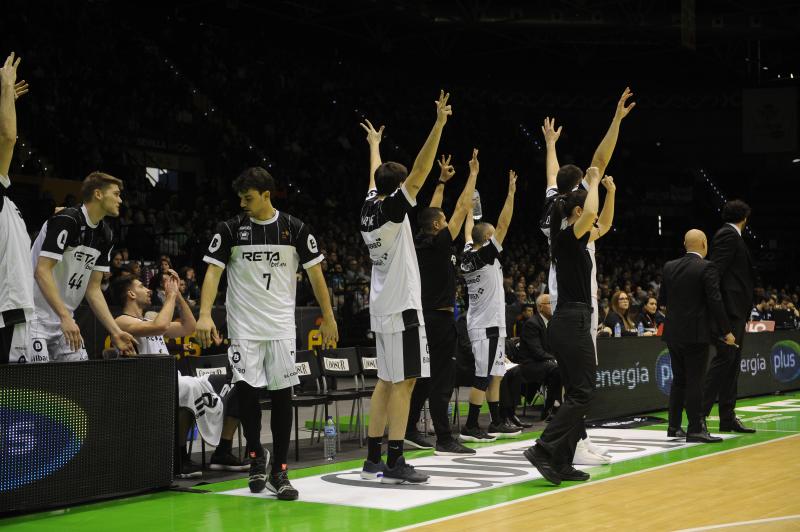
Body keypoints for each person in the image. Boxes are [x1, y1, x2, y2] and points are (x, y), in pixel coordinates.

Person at [196, 166, 338, 500]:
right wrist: (204, 314)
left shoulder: (295, 228)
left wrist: (329, 316)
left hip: (280, 327)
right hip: (244, 327)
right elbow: (213, 273)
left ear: (265, 195)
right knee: (245, 393)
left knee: (282, 398)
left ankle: (281, 472)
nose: (243, 203)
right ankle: (257, 456)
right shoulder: (230, 229)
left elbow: (316, 275)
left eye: (248, 198)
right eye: (240, 198)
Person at [357, 91, 450, 485]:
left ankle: (373, 455)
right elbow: (421, 170)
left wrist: (374, 147)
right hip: (403, 309)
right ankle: (395, 460)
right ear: (397, 192)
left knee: (385, 381)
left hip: (382, 309)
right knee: (407, 382)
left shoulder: (368, 208)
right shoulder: (394, 211)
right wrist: (439, 125)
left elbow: (376, 178)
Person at [538, 106, 630, 464]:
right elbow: (601, 158)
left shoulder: (553, 203)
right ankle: (572, 442)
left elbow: (553, 174)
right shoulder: (577, 210)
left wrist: (549, 145)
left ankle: (579, 437)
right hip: (575, 298)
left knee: (574, 374)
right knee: (579, 378)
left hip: (567, 291)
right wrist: (616, 121)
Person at [524, 168, 615, 486]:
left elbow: (603, 224)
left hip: (568, 322)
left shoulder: (575, 237)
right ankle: (545, 448)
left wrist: (611, 192)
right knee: (583, 391)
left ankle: (560, 460)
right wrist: (591, 183)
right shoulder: (567, 236)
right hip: (572, 321)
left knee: (577, 391)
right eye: (584, 212)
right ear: (577, 213)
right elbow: (592, 212)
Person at [112, 272, 230, 477]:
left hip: (166, 381)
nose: (148, 290)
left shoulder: (149, 319)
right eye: (141, 286)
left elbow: (189, 327)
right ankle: (178, 456)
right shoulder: (121, 321)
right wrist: (170, 297)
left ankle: (221, 450)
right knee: (189, 387)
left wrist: (179, 296)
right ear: (130, 293)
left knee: (226, 383)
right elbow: (159, 326)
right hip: (145, 385)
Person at [403, 149, 479, 457]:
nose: (448, 222)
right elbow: (461, 208)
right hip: (440, 319)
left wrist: (441, 182)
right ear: (437, 227)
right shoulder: (438, 242)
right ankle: (445, 439)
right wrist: (472, 174)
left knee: (422, 376)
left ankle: (408, 430)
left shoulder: (421, 241)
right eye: (444, 221)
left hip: (424, 318)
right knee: (442, 380)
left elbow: (431, 212)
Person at [27, 172, 136, 363]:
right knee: (35, 388)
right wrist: (64, 317)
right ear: (98, 194)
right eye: (116, 194)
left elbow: (93, 289)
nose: (120, 200)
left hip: (66, 321)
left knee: (79, 383)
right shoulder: (68, 220)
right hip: (34, 317)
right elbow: (41, 271)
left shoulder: (106, 235)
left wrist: (116, 331)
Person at [459, 169, 522, 442]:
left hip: (492, 324)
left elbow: (468, 232)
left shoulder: (467, 253)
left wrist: (469, 212)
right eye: (493, 235)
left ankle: (496, 422)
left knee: (495, 374)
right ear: (487, 240)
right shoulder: (485, 255)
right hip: (486, 326)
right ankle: (471, 426)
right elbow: (506, 224)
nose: (498, 237)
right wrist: (511, 193)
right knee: (482, 377)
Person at [660, 230, 736, 443]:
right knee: (695, 381)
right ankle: (695, 428)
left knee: (679, 381)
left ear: (684, 244)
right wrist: (726, 331)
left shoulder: (669, 267)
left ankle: (674, 427)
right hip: (696, 334)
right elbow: (715, 301)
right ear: (704, 243)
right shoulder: (707, 267)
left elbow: (663, 300)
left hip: (673, 333)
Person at [703, 200, 757, 433]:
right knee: (724, 361)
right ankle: (699, 415)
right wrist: (720, 313)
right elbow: (714, 272)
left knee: (731, 365)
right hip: (729, 312)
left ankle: (727, 417)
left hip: (736, 311)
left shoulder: (731, 236)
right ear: (745, 218)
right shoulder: (728, 235)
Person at [0, 52, 33, 364]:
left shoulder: (8, 204)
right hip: (4, 310)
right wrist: (6, 91)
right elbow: (8, 137)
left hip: (14, 311)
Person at [502, 294, 562, 424]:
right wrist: (555, 359)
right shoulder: (532, 324)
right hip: (529, 364)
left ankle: (554, 406)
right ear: (540, 307)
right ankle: (552, 407)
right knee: (557, 368)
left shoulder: (552, 323)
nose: (553, 306)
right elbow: (537, 351)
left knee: (561, 368)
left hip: (544, 362)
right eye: (550, 303)